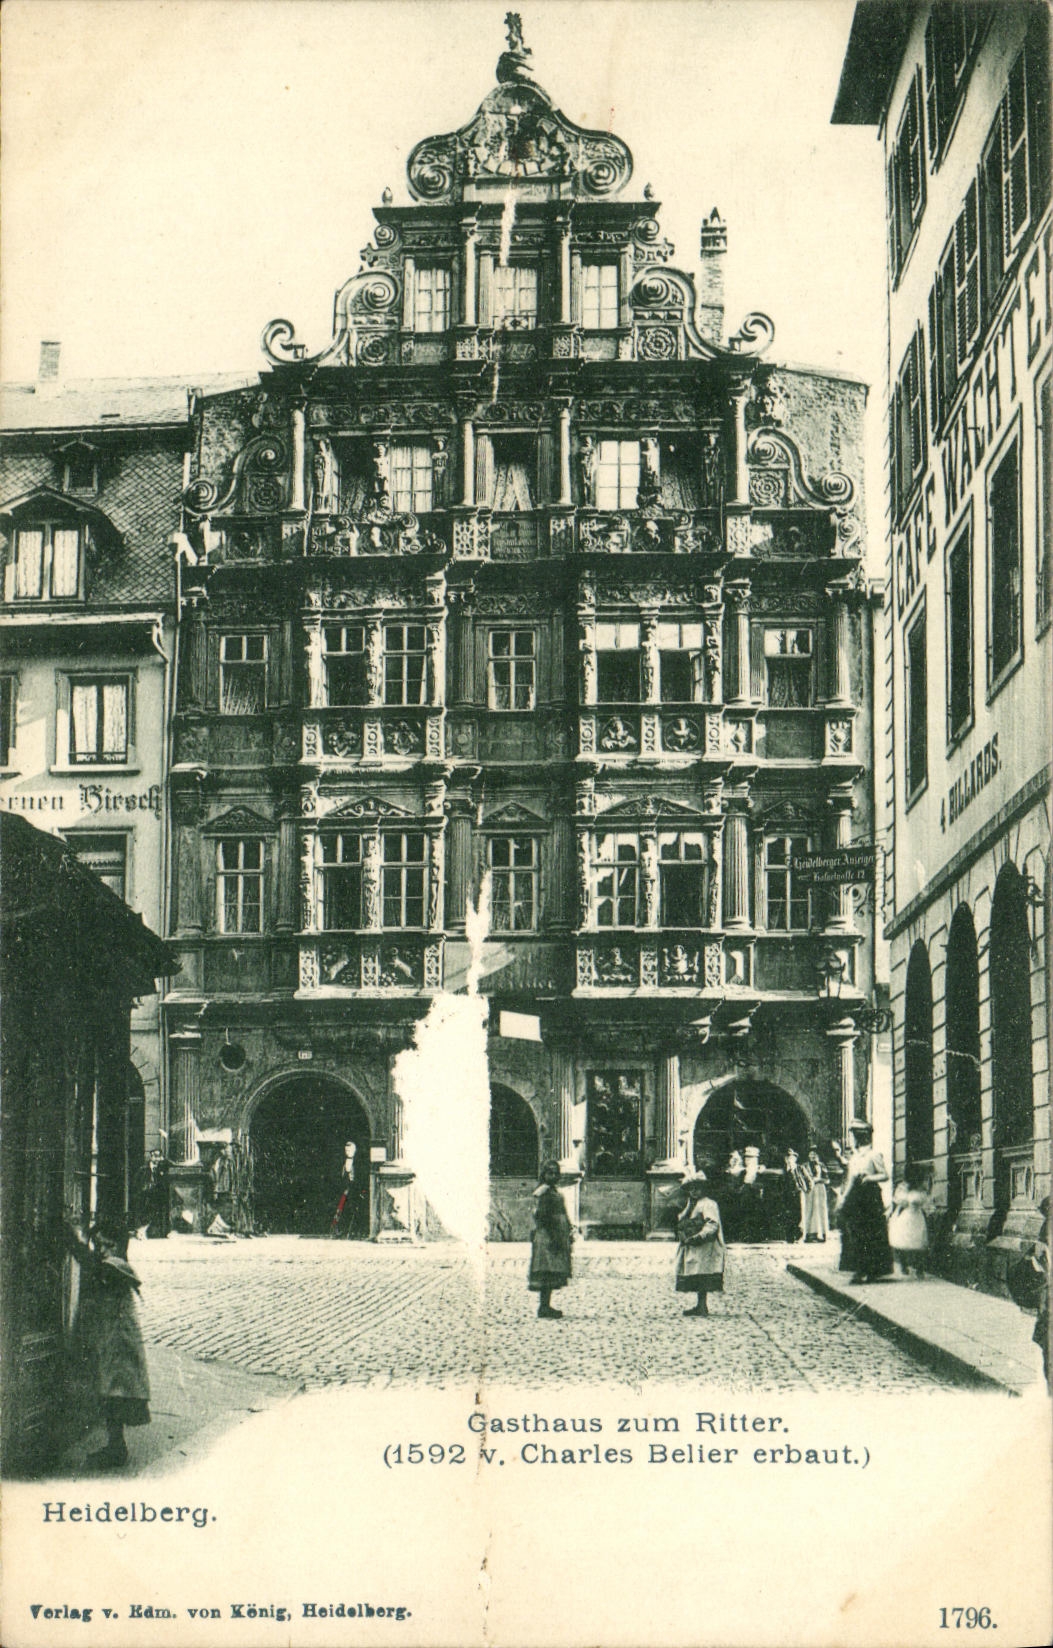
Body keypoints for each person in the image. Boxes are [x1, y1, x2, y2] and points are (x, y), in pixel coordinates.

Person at [66, 1218, 151, 1469]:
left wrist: (72, 1241)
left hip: (120, 1347)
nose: (103, 1250)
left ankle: (116, 1449)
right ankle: (116, 1447)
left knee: (115, 1395)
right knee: (111, 1396)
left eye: (107, 1245)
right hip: (114, 1345)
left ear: (119, 1247)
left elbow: (94, 1266)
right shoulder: (112, 1264)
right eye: (99, 1245)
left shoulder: (117, 1266)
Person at [835, 1123, 893, 1283]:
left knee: (871, 1233)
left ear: (863, 1137)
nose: (854, 1140)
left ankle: (872, 1270)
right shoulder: (854, 1158)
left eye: (856, 1137)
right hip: (855, 1197)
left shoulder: (874, 1155)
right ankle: (858, 1269)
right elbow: (851, 1180)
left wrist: (869, 1177)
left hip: (870, 1197)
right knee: (854, 1232)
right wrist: (843, 1199)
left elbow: (885, 1175)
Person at [675, 1173, 726, 1317]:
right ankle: (700, 1305)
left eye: (697, 1188)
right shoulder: (692, 1203)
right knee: (697, 1274)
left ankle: (702, 1306)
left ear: (703, 1189)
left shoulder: (708, 1204)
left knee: (703, 1274)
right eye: (691, 1189)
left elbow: (712, 1224)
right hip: (695, 1246)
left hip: (705, 1246)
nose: (694, 1191)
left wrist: (699, 1236)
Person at [528, 1161, 573, 1319]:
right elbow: (541, 1215)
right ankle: (544, 1307)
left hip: (555, 1234)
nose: (553, 1176)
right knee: (547, 1272)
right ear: (544, 1174)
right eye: (550, 1173)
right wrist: (554, 1236)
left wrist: (567, 1229)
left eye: (556, 1173)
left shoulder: (552, 1191)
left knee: (551, 1272)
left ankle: (546, 1305)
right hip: (548, 1237)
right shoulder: (544, 1192)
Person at [886, 1164, 933, 1277]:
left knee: (916, 1242)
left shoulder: (920, 1188)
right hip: (907, 1216)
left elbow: (924, 1201)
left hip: (915, 1216)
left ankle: (916, 1267)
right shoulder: (904, 1187)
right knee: (905, 1241)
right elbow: (900, 1200)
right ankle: (906, 1265)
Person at [801, 1147, 831, 1243]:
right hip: (809, 1190)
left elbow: (827, 1180)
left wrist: (818, 1180)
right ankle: (808, 1234)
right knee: (808, 1209)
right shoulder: (804, 1166)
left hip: (819, 1189)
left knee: (820, 1211)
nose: (813, 1156)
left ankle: (821, 1234)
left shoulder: (822, 1166)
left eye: (815, 1154)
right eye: (811, 1154)